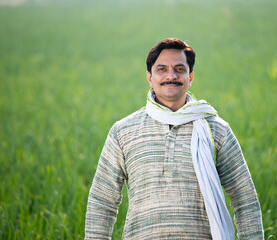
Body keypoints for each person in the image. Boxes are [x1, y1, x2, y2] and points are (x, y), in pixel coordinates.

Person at [85, 38, 264, 240]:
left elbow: (245, 199)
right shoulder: (123, 131)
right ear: (149, 77)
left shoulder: (216, 130)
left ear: (191, 77)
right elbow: (102, 201)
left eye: (180, 69)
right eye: (161, 69)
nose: (171, 75)